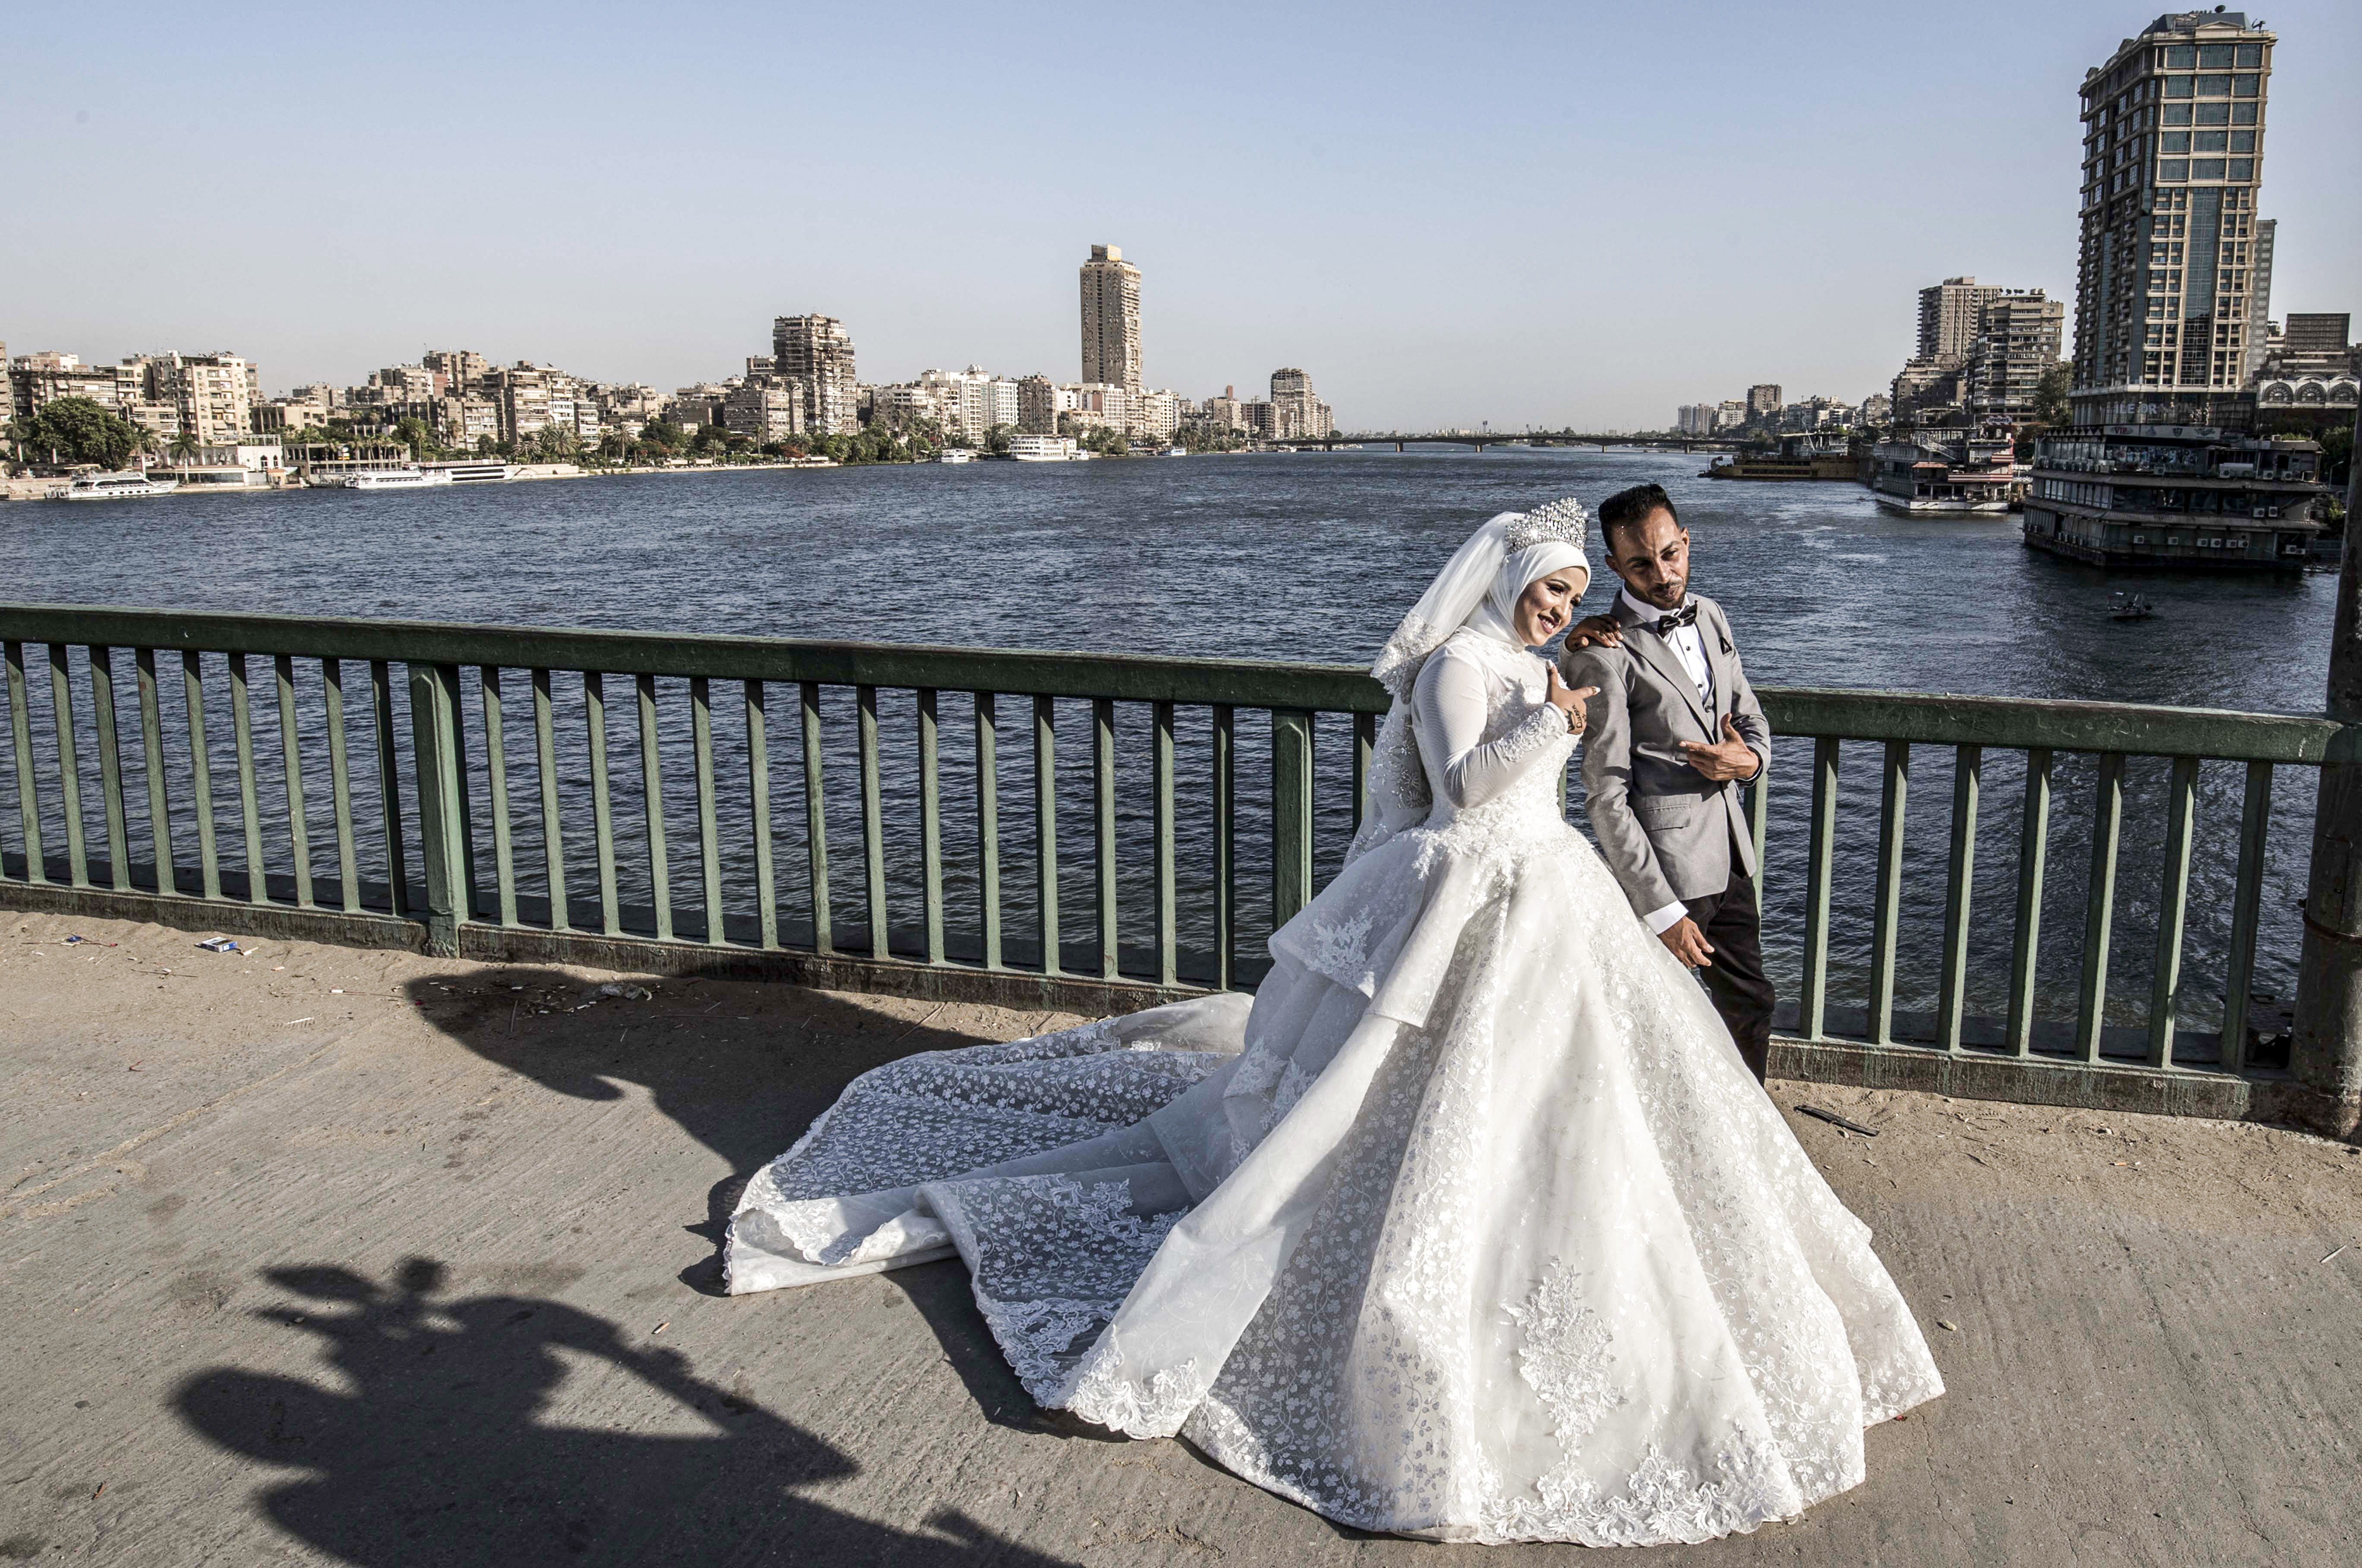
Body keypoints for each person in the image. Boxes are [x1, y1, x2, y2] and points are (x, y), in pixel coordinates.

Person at [724, 502, 1942, 1546]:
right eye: (1550, 588)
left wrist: (1572, 695)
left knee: (1580, 1097)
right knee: (1419, 1094)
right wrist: (1557, 718)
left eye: (1574, 590)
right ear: (1508, 583)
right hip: (1477, 888)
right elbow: (1465, 786)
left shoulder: (1543, 659)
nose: (1561, 608)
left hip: (1551, 888)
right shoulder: (1462, 667)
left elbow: (1571, 745)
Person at [1560, 482, 1776, 1083]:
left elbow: (1750, 715)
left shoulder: (1711, 615)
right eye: (1640, 564)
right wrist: (1661, 911)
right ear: (1613, 567)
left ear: (1685, 541)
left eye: (1669, 554)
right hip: (1667, 871)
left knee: (1751, 1004)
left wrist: (1749, 763)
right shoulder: (1600, 651)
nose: (1662, 574)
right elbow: (1605, 794)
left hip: (1731, 854)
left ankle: (1746, 1143)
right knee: (1653, 1026)